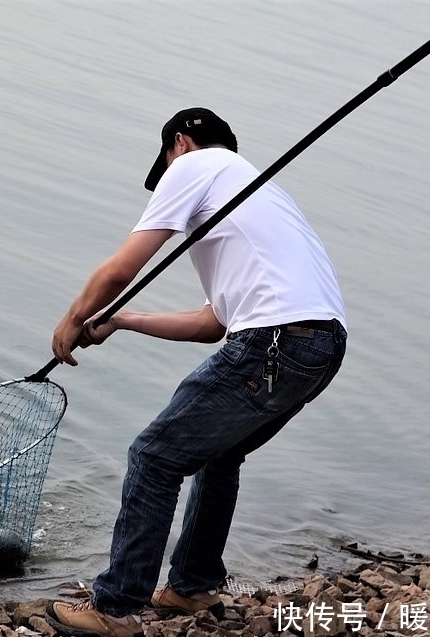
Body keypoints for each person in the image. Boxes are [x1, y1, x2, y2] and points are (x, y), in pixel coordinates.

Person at [45, 108, 348, 637]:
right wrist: (121, 319)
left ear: (179, 144)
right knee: (218, 452)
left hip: (276, 341)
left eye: (164, 167)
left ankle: (115, 609)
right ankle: (192, 586)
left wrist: (73, 316)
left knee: (153, 456)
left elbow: (122, 266)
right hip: (321, 344)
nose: (164, 184)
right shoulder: (254, 189)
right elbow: (214, 323)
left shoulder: (193, 167)